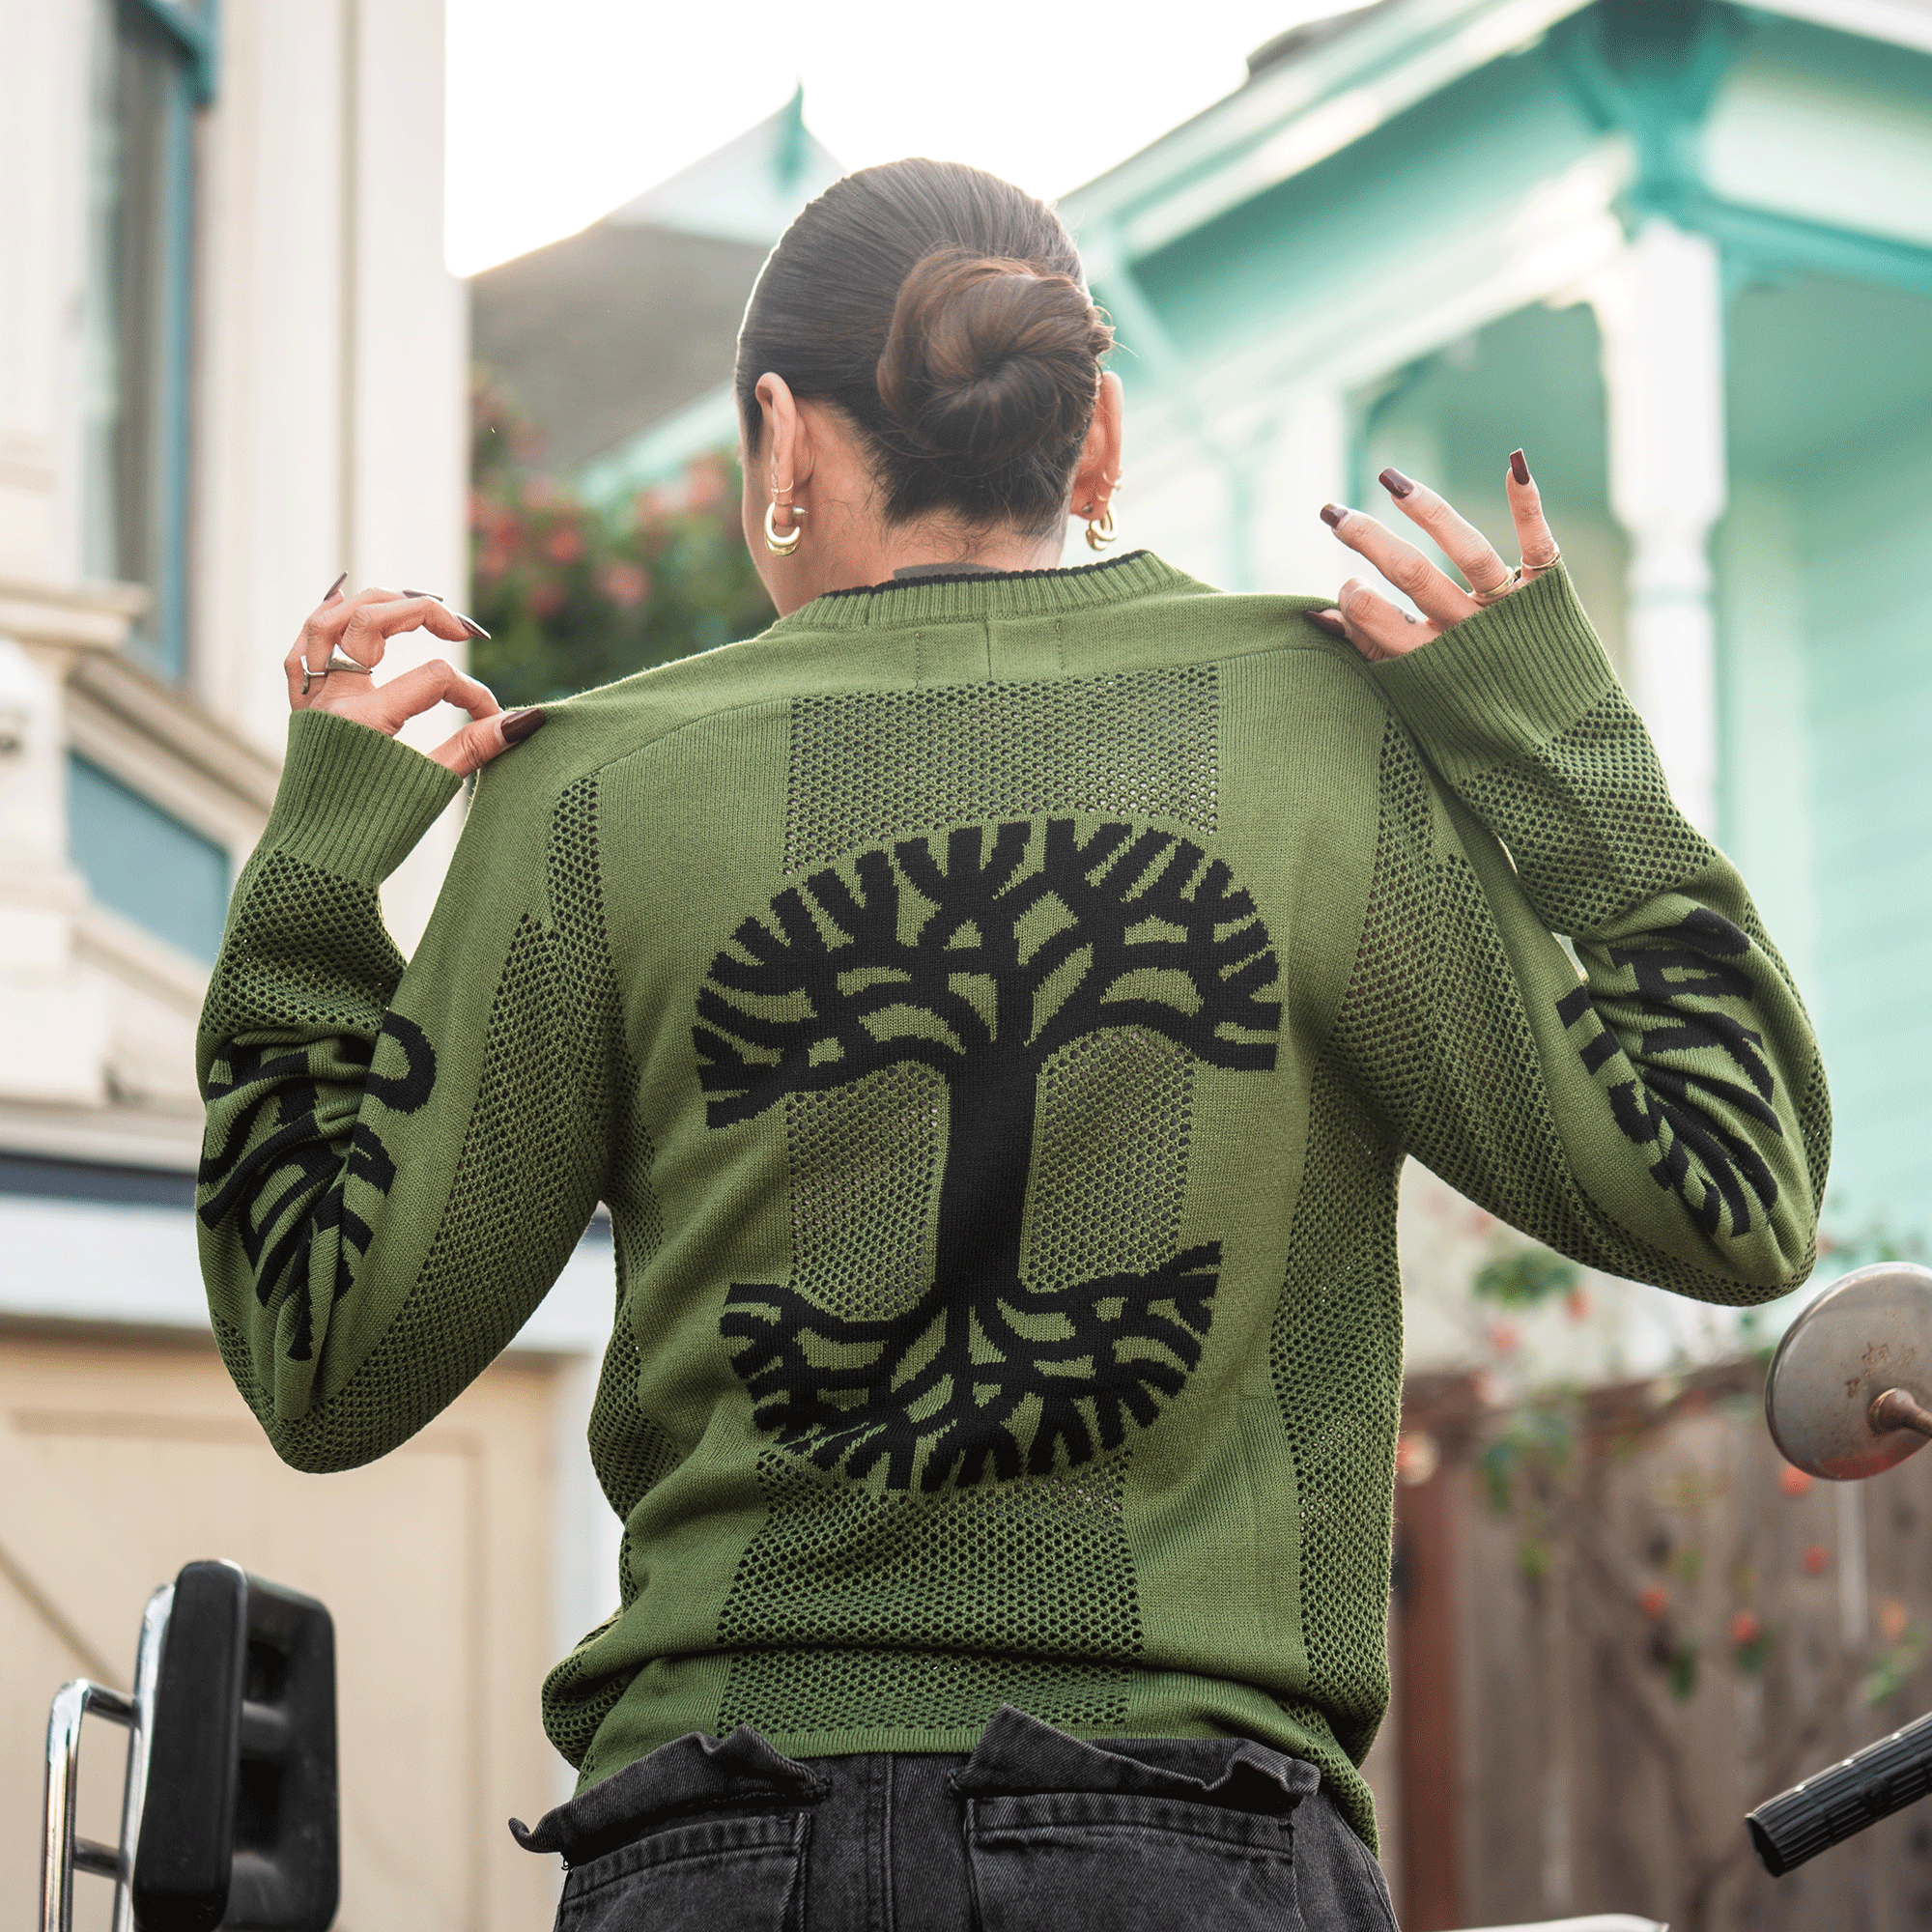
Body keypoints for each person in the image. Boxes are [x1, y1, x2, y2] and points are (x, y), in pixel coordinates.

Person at [196, 157, 1826, 1928]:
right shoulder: (1314, 742)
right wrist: (1554, 740)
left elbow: (327, 1363)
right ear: (1094, 432)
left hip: (719, 1851)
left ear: (780, 442)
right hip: (1186, 1841)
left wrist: (313, 884)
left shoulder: (594, 797)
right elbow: (1728, 1190)